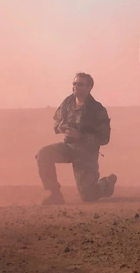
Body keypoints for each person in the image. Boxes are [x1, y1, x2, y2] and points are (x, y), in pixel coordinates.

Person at [36, 73, 117, 205]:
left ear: (89, 87)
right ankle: (55, 194)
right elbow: (56, 122)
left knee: (88, 196)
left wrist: (81, 136)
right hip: (68, 147)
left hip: (86, 152)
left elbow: (104, 138)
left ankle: (107, 183)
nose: (75, 87)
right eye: (74, 84)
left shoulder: (97, 109)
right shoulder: (67, 103)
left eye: (80, 84)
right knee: (43, 154)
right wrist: (61, 128)